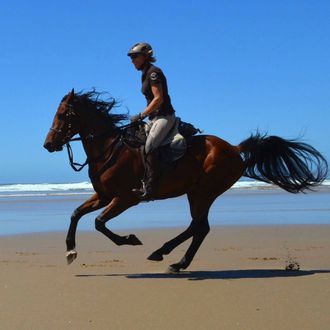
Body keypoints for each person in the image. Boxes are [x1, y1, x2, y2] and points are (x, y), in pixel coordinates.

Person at [128, 42, 176, 200]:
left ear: (145, 56)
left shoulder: (154, 73)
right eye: (131, 58)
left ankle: (151, 188)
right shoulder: (145, 73)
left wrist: (140, 115)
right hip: (154, 118)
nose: (132, 60)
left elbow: (158, 99)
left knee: (149, 146)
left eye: (135, 57)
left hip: (164, 117)